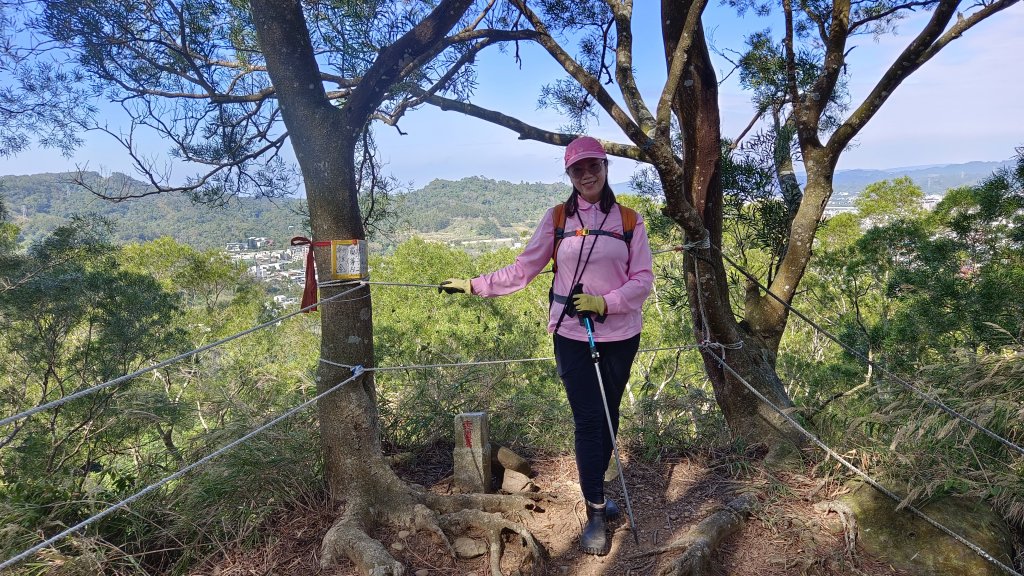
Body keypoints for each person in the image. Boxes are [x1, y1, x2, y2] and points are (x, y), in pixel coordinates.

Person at [439, 136, 654, 555]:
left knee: (609, 418)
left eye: (592, 165)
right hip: (573, 336)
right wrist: (473, 285)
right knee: (590, 422)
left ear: (605, 166)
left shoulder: (629, 220)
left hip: (621, 335)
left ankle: (596, 492)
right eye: (577, 169)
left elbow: (643, 280)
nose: (586, 174)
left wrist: (605, 302)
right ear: (569, 175)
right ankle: (595, 508)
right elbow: (524, 268)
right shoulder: (557, 219)